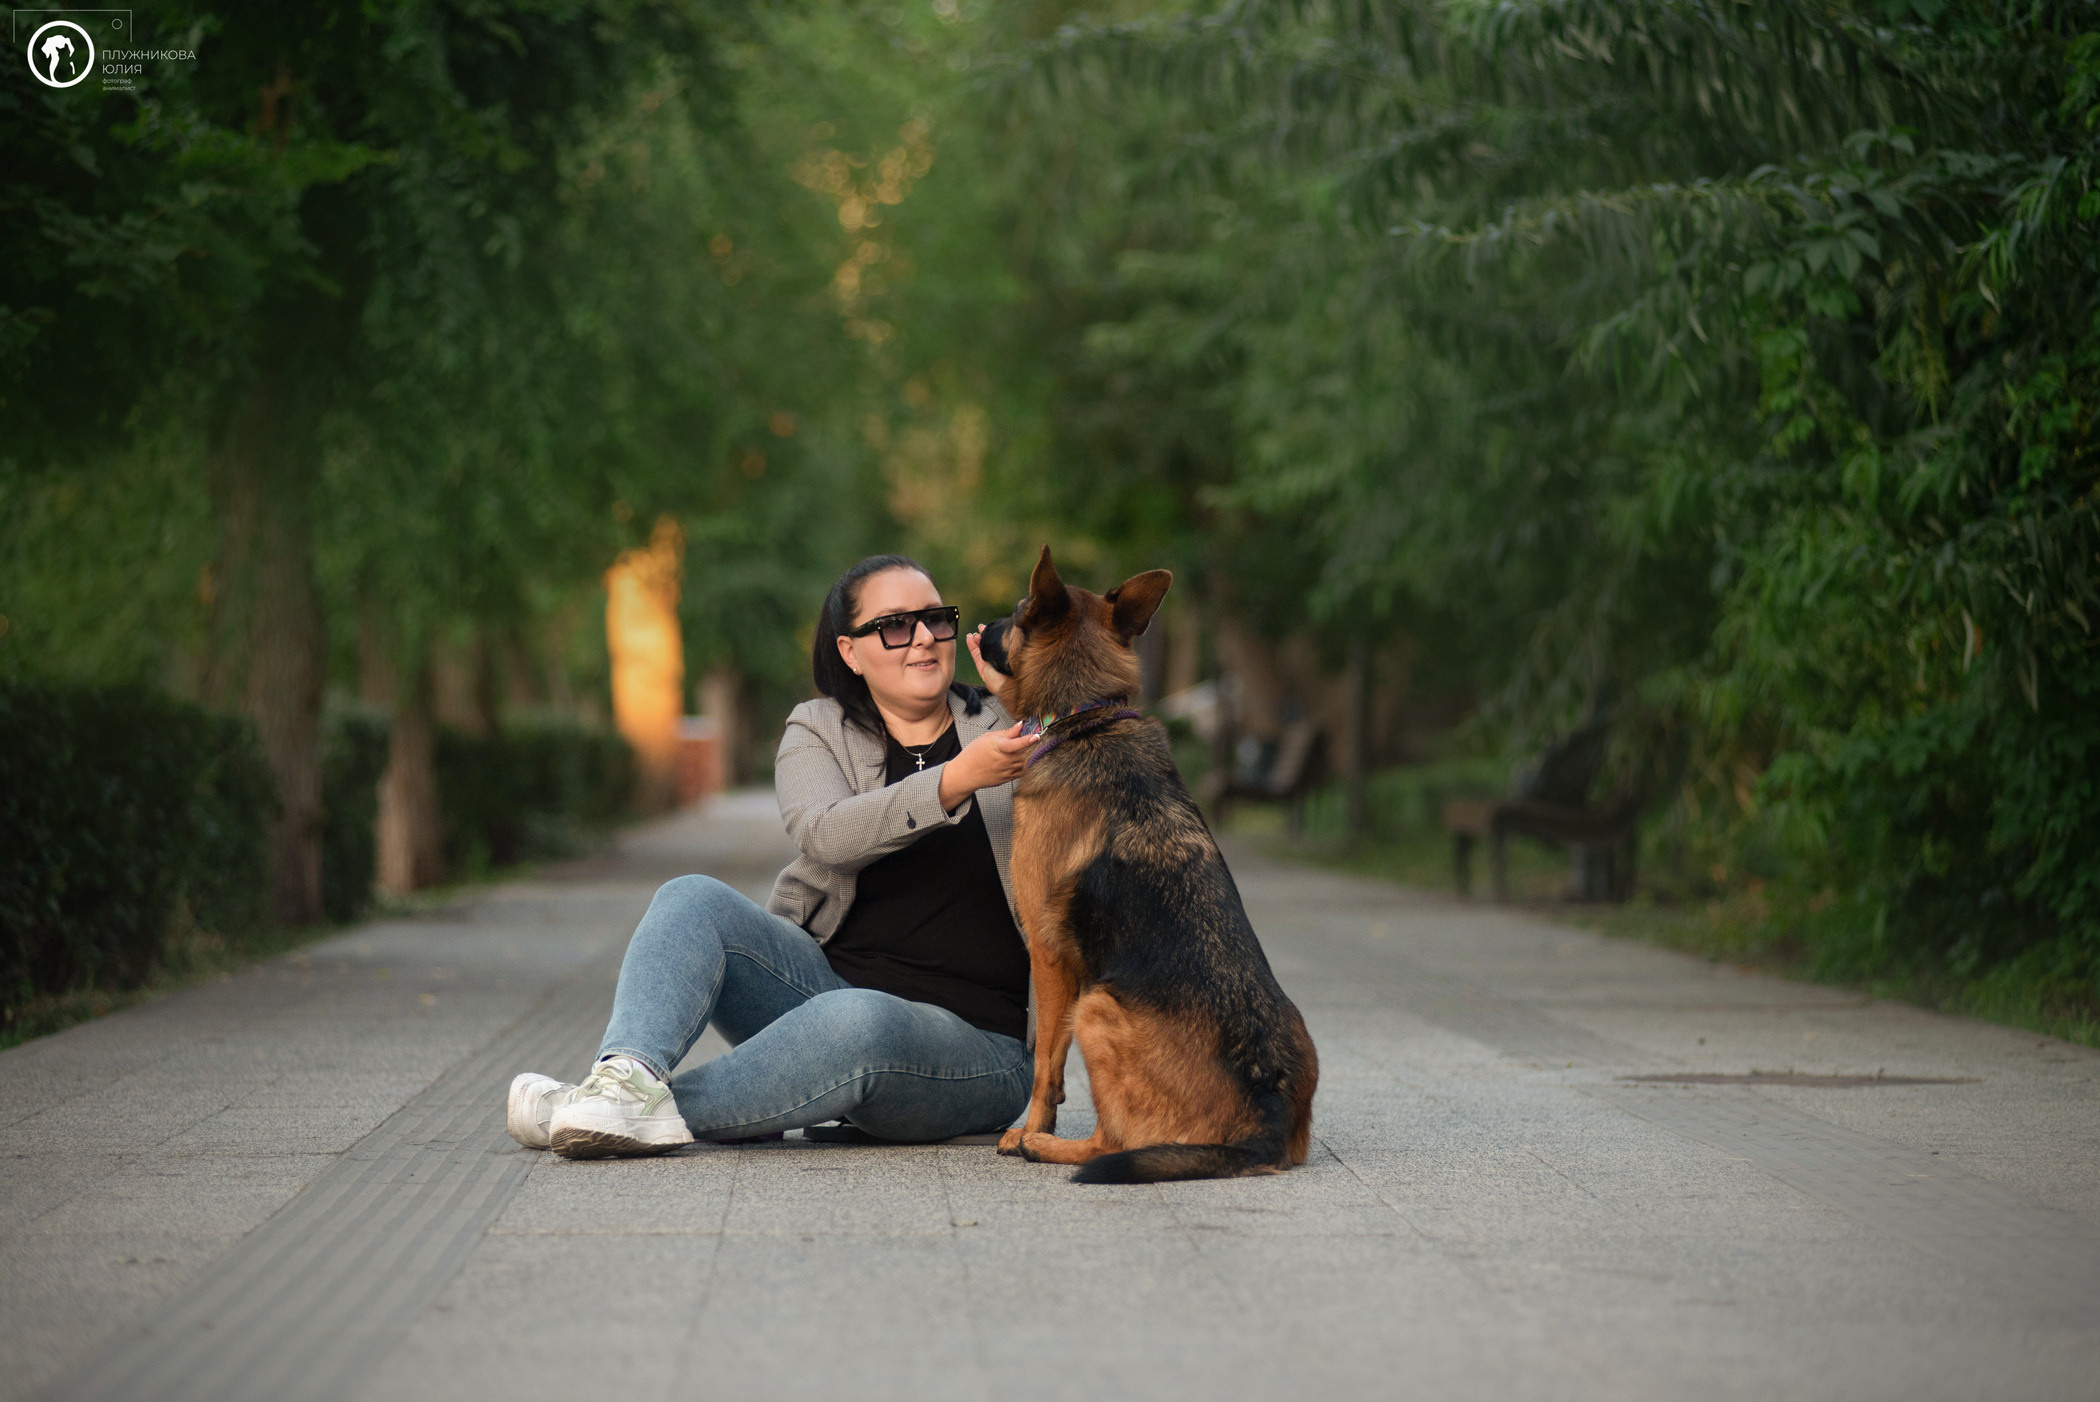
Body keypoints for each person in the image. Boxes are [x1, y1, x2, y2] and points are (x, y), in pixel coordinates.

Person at [505, 554, 1041, 1157]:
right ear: (849, 651)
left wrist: (1029, 700)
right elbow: (826, 834)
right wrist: (951, 781)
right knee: (690, 899)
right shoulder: (818, 729)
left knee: (861, 1021)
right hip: (817, 996)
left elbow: (1098, 778)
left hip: (976, 1045)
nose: (923, 638)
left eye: (936, 620)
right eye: (895, 625)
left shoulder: (1009, 729)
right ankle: (626, 1073)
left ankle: (592, 1107)